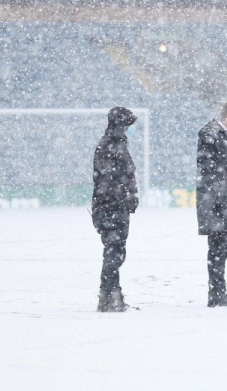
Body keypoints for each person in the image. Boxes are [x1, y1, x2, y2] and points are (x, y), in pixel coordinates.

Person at [196, 101, 227, 307]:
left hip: (226, 200)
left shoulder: (224, 134)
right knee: (217, 248)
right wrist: (220, 200)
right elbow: (210, 171)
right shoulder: (211, 133)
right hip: (216, 202)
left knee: (223, 248)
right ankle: (216, 293)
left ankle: (218, 291)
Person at [92, 106, 139, 312]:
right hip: (111, 207)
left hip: (114, 206)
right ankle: (108, 296)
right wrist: (125, 196)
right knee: (114, 252)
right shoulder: (110, 145)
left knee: (116, 251)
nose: (130, 129)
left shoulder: (115, 144)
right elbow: (109, 180)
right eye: (128, 125)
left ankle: (113, 293)